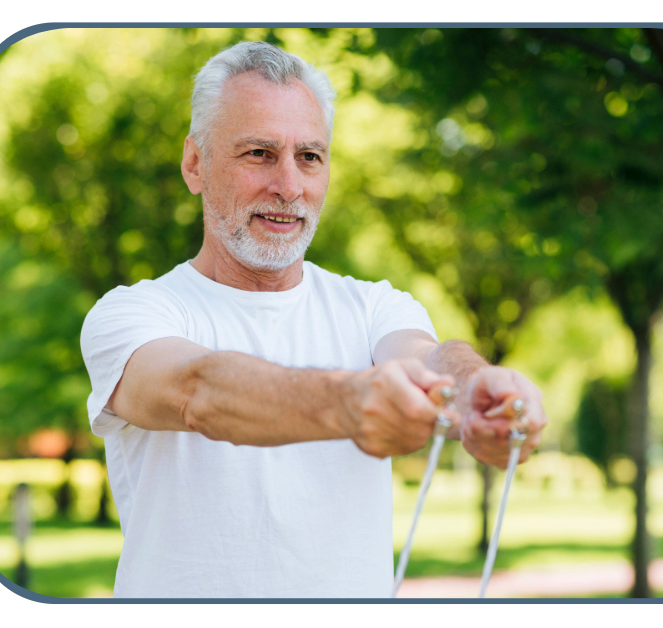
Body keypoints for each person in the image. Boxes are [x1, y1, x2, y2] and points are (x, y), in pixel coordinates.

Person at [79, 41, 547, 598]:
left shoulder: (374, 306)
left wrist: (475, 391)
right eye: (258, 153)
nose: (289, 185)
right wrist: (347, 404)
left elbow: (427, 357)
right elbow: (196, 391)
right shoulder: (132, 314)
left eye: (309, 157)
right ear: (194, 163)